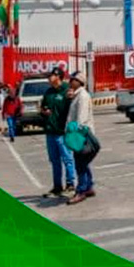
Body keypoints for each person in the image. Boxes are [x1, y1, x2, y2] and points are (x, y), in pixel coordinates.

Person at [40, 69, 76, 197]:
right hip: (50, 131)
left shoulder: (67, 90)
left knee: (67, 158)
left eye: (51, 76)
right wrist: (44, 111)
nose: (49, 78)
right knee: (54, 160)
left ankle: (70, 184)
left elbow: (74, 107)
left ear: (58, 77)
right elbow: (43, 107)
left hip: (63, 132)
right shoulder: (49, 92)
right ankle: (57, 186)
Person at [65, 72, 98, 204]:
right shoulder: (76, 95)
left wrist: (74, 135)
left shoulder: (83, 96)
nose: (70, 82)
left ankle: (81, 191)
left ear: (79, 81)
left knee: (80, 164)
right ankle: (89, 186)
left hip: (81, 135)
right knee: (83, 162)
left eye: (73, 80)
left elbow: (81, 120)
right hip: (78, 134)